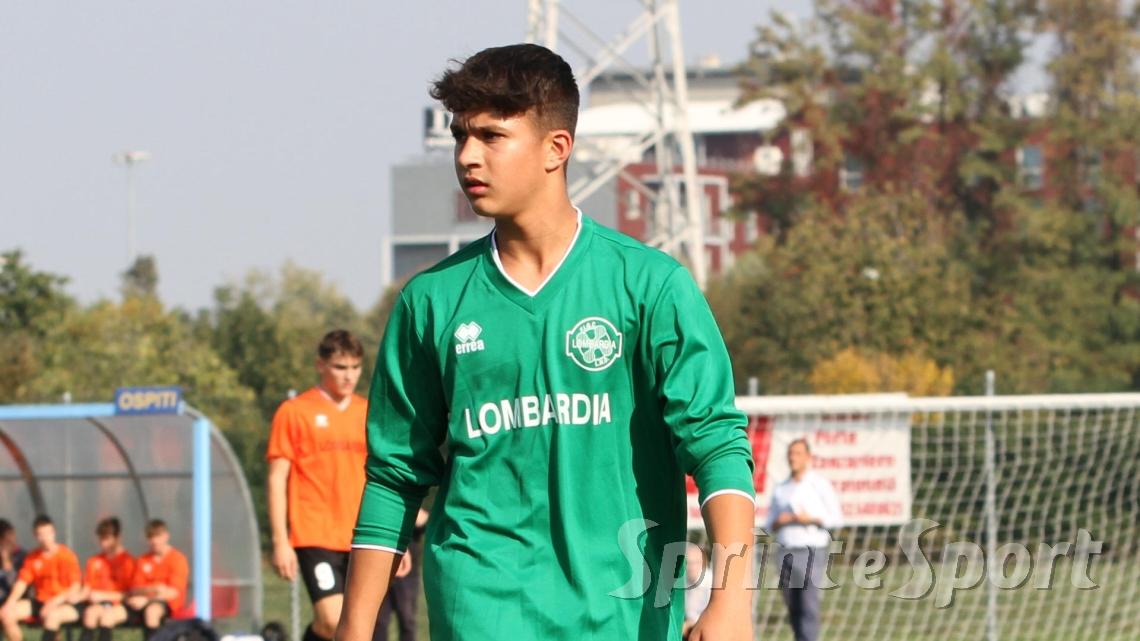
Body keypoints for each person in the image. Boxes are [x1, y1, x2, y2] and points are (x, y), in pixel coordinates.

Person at [336, 43, 757, 641]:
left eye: (491, 136)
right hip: (480, 610)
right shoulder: (430, 302)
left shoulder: (650, 285)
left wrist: (732, 601)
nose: (467, 156)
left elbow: (717, 444)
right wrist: (354, 629)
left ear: (556, 148)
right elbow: (394, 475)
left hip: (623, 615)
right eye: (460, 136)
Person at [266, 331, 411, 641]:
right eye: (340, 367)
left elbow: (388, 476)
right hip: (315, 534)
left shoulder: (369, 412)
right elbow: (277, 478)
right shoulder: (294, 412)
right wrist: (280, 541)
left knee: (359, 628)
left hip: (365, 534)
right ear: (320, 365)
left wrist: (399, 538)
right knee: (333, 621)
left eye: (355, 367)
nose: (349, 376)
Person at [765, 438, 843, 641]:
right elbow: (769, 523)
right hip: (785, 550)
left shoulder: (819, 485)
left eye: (798, 453)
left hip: (811, 550)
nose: (793, 458)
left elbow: (836, 518)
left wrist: (811, 519)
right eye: (790, 454)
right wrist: (780, 521)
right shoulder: (781, 488)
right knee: (792, 605)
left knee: (808, 603)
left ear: (808, 457)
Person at [0, 515, 82, 641]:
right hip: (41, 602)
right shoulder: (33, 557)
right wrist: (10, 603)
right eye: (40, 534)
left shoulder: (67, 555)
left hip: (65, 602)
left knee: (51, 616)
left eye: (48, 533)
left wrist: (55, 602)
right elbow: (22, 582)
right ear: (35, 536)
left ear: (54, 532)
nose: (45, 538)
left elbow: (75, 587)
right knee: (5, 614)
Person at [66, 517, 137, 641]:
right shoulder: (94, 561)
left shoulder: (128, 562)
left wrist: (104, 596)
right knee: (90, 614)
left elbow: (131, 594)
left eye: (107, 538)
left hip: (121, 606)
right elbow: (87, 589)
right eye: (101, 539)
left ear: (118, 537)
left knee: (107, 617)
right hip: (98, 605)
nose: (103, 543)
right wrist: (76, 597)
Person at [125, 519, 188, 641]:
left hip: (169, 606)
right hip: (141, 601)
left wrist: (147, 599)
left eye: (157, 536)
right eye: (151, 537)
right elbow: (135, 589)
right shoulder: (143, 560)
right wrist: (154, 589)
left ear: (166, 536)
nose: (154, 541)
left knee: (152, 612)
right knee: (110, 614)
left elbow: (173, 592)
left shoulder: (177, 559)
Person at [373, 508, 428, 641]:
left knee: (407, 619)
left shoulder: (415, 504)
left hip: (407, 574)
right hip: (381, 568)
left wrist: (413, 513)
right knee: (379, 621)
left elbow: (425, 523)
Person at [682, 544, 713, 640]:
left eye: (695, 562)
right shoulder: (683, 581)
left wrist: (691, 624)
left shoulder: (712, 583)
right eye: (687, 563)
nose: (690, 567)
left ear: (703, 563)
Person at [0, 520, 27, 607]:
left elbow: (16, 587)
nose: (12, 541)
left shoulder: (22, 557)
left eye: (13, 535)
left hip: (13, 601)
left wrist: (6, 562)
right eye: (7, 540)